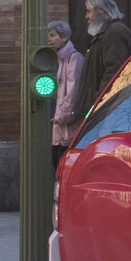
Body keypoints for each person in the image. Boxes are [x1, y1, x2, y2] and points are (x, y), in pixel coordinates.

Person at [74, 0, 131, 120]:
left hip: (107, 111)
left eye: (89, 11)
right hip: (103, 109)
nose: (86, 16)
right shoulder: (107, 32)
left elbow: (114, 71)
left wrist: (100, 102)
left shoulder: (114, 32)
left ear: (100, 12)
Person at [48, 21, 84, 168]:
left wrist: (63, 115)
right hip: (60, 122)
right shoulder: (61, 59)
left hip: (66, 123)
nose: (49, 39)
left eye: (53, 35)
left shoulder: (74, 58)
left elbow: (73, 88)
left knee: (63, 164)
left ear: (64, 37)